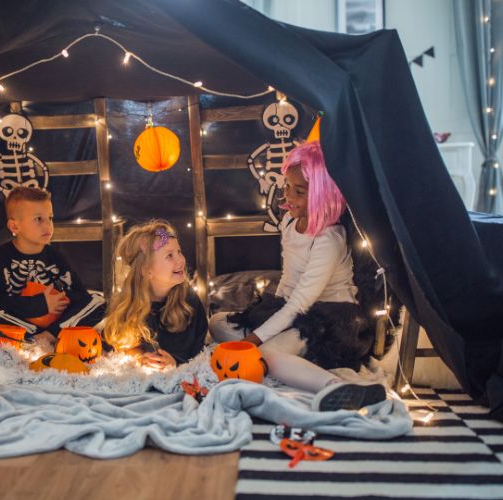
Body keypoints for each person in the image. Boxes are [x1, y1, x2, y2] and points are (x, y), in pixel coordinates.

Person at [209, 141, 385, 411]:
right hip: (294, 309)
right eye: (287, 186)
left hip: (331, 319)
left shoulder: (329, 238)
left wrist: (255, 341)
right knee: (219, 322)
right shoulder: (290, 223)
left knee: (266, 352)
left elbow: (302, 302)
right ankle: (290, 358)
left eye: (299, 191)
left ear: (322, 195)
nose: (288, 196)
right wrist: (263, 322)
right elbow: (289, 285)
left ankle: (335, 386)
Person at [0, 186, 104, 344]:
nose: (48, 226)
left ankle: (50, 335)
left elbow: (80, 295)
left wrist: (60, 299)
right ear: (14, 226)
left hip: (56, 322)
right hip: (22, 321)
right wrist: (41, 304)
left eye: (50, 218)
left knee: (98, 302)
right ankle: (37, 336)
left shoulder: (54, 256)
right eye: (38, 219)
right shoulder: (2, 256)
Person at [102, 220, 207, 370]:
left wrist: (175, 362)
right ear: (146, 270)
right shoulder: (128, 305)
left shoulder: (188, 302)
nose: (181, 260)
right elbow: (115, 345)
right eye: (169, 256)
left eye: (179, 251)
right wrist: (137, 355)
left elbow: (197, 349)